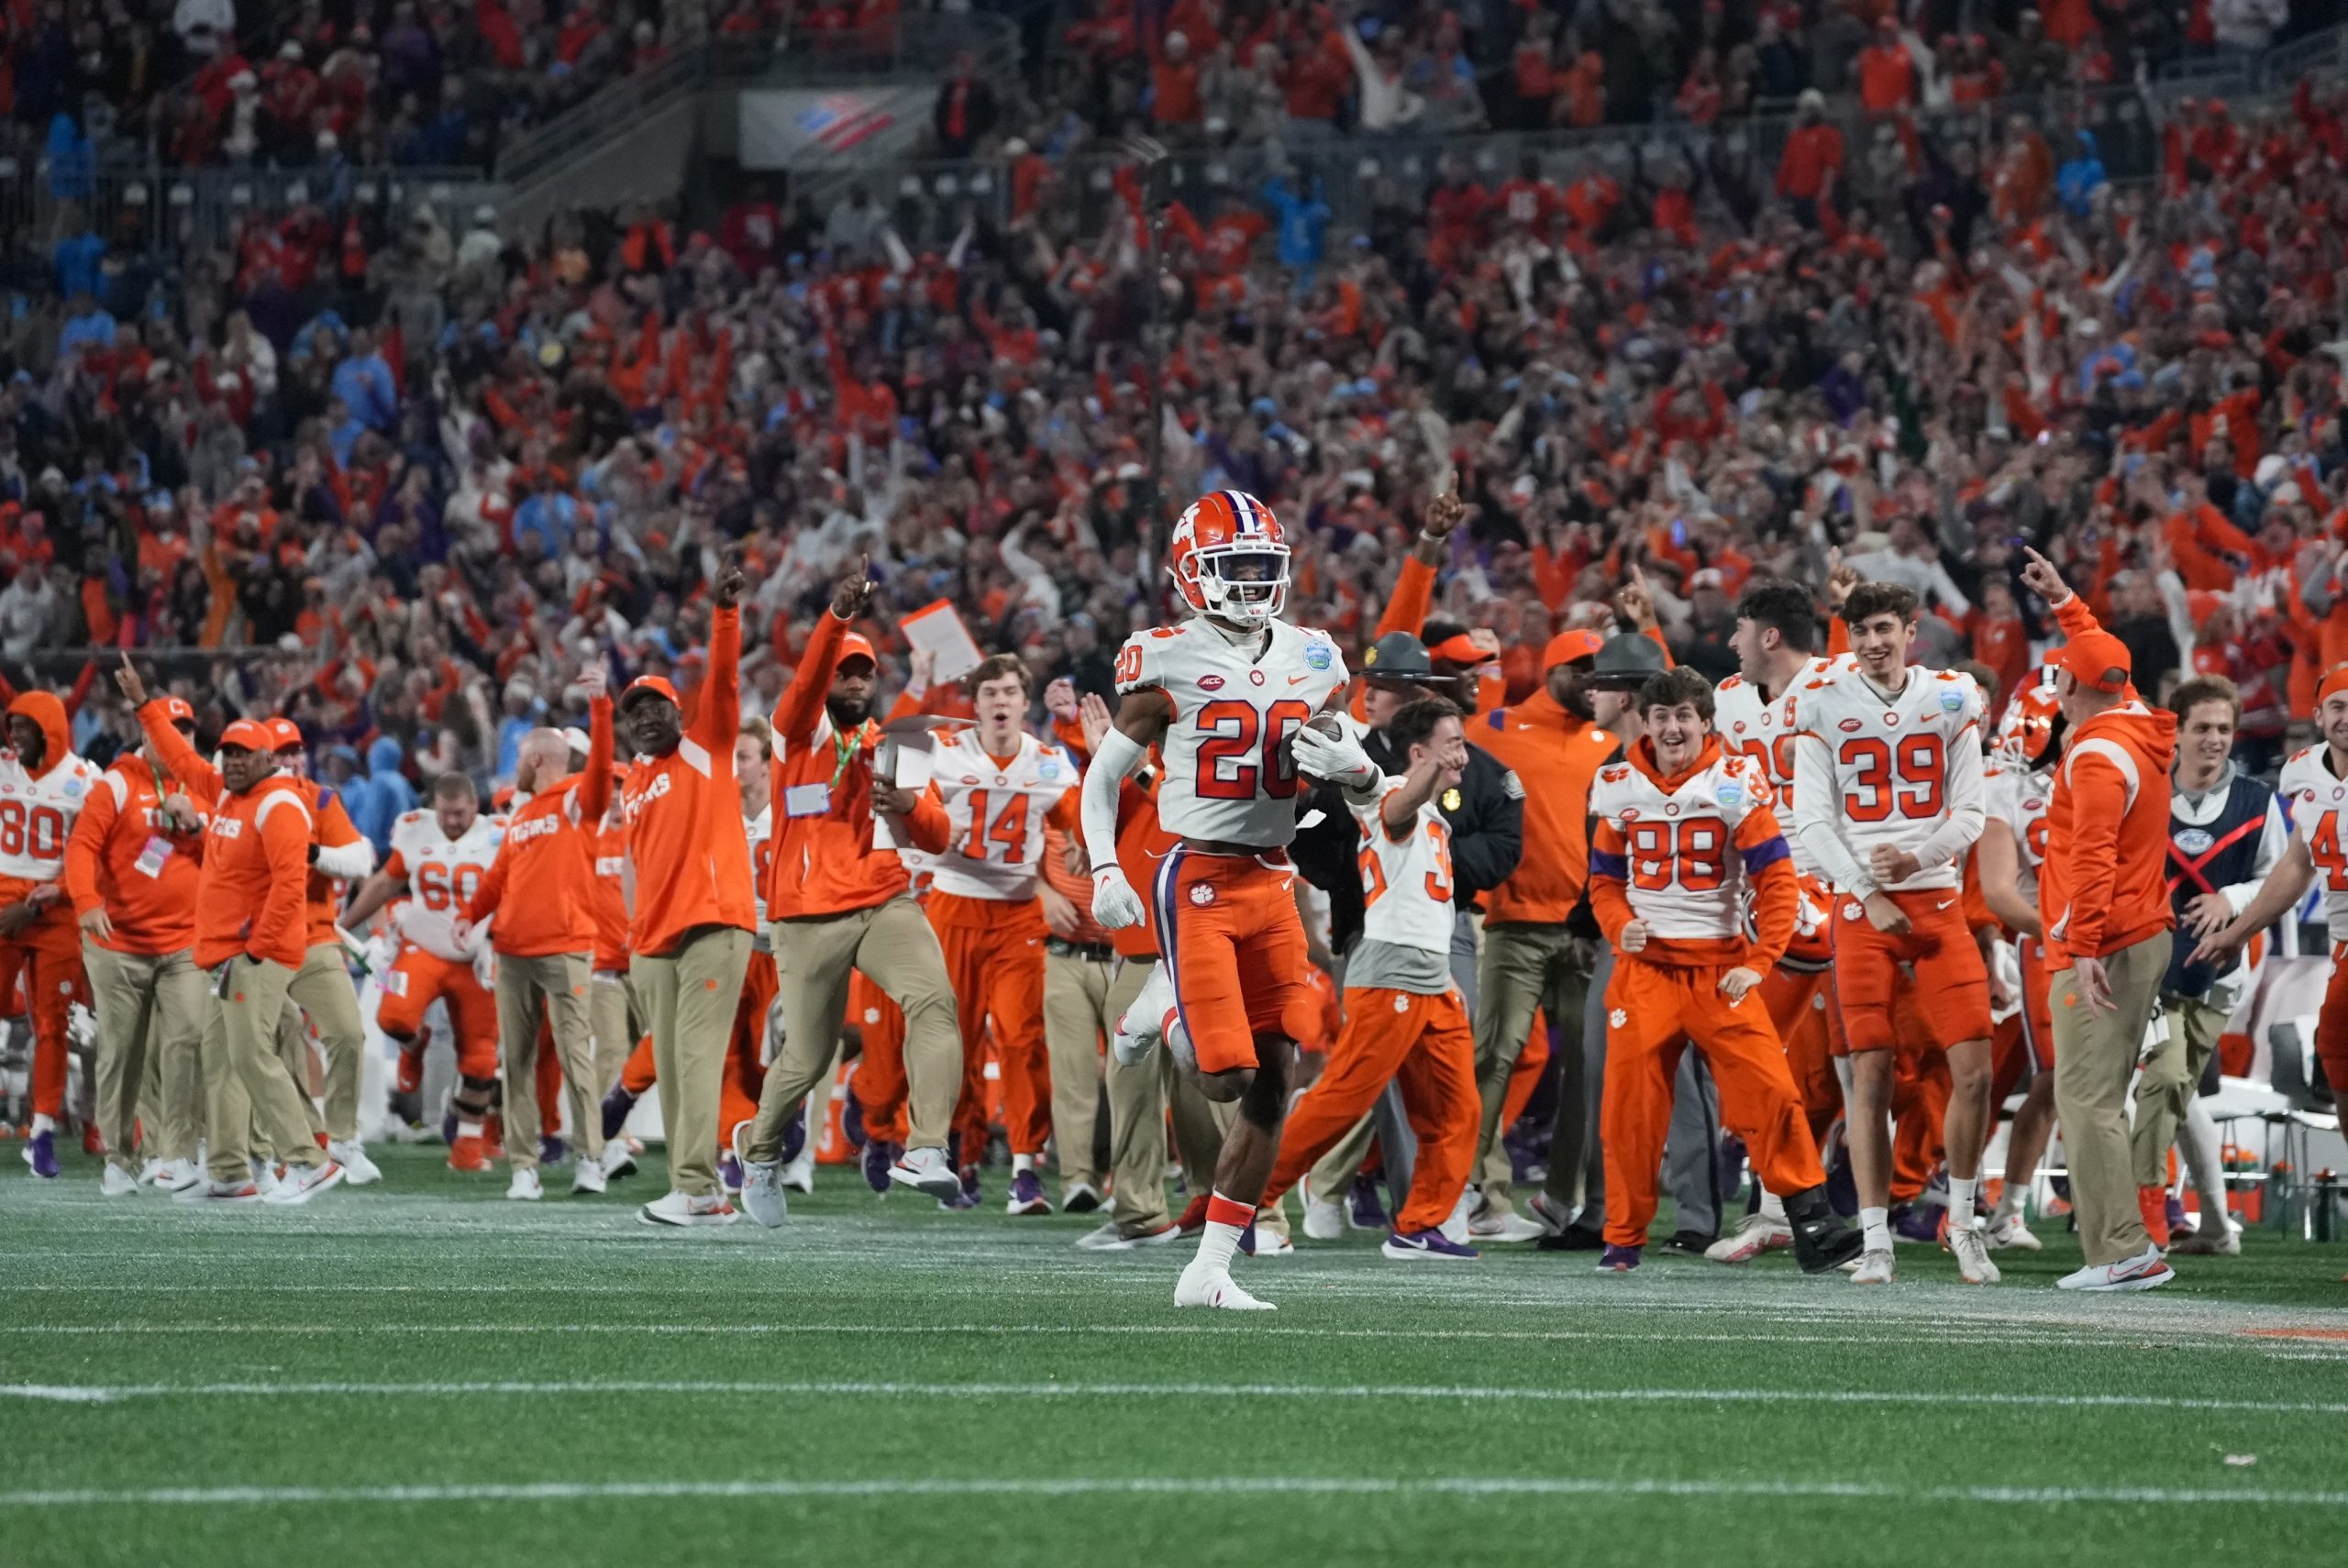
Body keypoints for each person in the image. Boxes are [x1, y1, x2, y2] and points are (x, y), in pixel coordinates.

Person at [1084, 490, 1357, 1311]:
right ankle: (1155, 1013)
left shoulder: (1314, 655)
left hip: (1274, 876)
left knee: (1281, 1074)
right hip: (1196, 873)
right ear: (1191, 574)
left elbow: (1343, 744)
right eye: (1231, 567)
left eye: (1259, 567)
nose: (1248, 581)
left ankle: (1209, 1267)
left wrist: (1349, 764)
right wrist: (1105, 870)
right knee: (1226, 1074)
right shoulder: (1162, 657)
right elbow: (1103, 780)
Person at [1586, 668, 1862, 1274]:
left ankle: (1814, 1228)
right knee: (1630, 1114)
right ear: (1646, 722)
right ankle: (1623, 1240)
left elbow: (1777, 877)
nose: (1673, 727)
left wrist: (1761, 961)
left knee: (1771, 1093)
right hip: (1647, 972)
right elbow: (1603, 880)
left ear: (1705, 722)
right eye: (1662, 716)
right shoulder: (1616, 783)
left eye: (1684, 715)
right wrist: (1617, 924)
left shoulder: (1735, 780)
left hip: (1720, 969)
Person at [737, 559, 963, 1225]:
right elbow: (804, 681)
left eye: (865, 671)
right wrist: (837, 619)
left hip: (882, 899)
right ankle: (758, 1151)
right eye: (846, 671)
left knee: (934, 1000)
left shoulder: (897, 741)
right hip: (807, 914)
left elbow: (939, 834)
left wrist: (907, 807)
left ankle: (926, 1147)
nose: (856, 680)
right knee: (806, 1059)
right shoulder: (795, 732)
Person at [1788, 580, 1999, 1286]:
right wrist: (1866, 889)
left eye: (1884, 629)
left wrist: (1916, 858)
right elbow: (1812, 818)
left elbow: (1971, 811)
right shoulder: (1822, 701)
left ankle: (1963, 1222)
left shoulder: (1951, 696)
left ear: (1912, 630)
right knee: (1869, 1076)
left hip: (1935, 901)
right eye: (1860, 632)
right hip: (1862, 910)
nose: (1873, 644)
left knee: (1975, 1069)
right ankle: (1875, 1238)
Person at [1255, 695, 1482, 1261]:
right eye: (1451, 743)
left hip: (1429, 974)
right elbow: (1397, 808)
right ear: (1418, 752)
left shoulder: (1434, 812)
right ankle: (1247, 1197)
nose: (1462, 753)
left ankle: (1421, 1224)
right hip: (1391, 971)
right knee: (1343, 1098)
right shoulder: (1388, 795)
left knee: (1458, 1110)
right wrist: (1431, 768)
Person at [2020, 547, 2179, 1292]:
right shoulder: (2138, 722)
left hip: (2107, 943)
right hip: (2140, 930)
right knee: (2098, 1093)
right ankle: (2124, 1246)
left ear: (2066, 686)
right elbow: (2103, 663)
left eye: (2060, 670)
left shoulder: (2092, 760)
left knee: (2085, 1098)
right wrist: (2066, 603)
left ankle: (2120, 1250)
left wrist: (2079, 945)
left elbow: (2092, 860)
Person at [1458, 625, 1622, 1242]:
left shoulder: (1611, 738)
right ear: (1552, 670)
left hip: (1592, 929)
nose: (1593, 682)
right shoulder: (1494, 728)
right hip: (1516, 924)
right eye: (1582, 670)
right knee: (1492, 1057)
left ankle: (1562, 1196)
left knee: (1586, 1069)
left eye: (1601, 673)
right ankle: (1472, 1190)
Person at [1703, 578, 1847, 1263]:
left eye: (1739, 630)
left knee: (1770, 1056)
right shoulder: (1727, 700)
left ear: (1768, 635)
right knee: (1775, 1063)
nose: (1730, 644)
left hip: (1826, 886)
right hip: (1759, 889)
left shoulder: (1836, 683)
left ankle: (1805, 1209)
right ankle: (1781, 1207)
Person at [145, 712, 342, 1206]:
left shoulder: (278, 805)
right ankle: (231, 1175)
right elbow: (184, 762)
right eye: (228, 753)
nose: (231, 762)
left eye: (243, 755)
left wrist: (255, 950)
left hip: (256, 956)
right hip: (228, 955)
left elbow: (289, 885)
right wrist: (144, 706)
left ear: (268, 760)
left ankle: (308, 1162)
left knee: (252, 1055)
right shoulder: (234, 795)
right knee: (219, 1058)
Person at [618, 559, 758, 1229]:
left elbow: (724, 678)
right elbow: (639, 864)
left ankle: (701, 1186)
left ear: (681, 711)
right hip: (658, 939)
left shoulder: (709, 745)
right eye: (634, 712)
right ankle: (694, 1188)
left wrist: (724, 614)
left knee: (700, 1058)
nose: (646, 719)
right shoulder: (633, 783)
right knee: (672, 1067)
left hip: (714, 924)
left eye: (656, 707)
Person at [925, 653, 1081, 1214]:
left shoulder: (1047, 763)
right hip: (953, 908)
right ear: (976, 702)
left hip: (1017, 916)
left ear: (1024, 701)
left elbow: (1076, 819)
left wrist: (1082, 850)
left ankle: (1024, 1168)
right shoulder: (945, 757)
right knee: (957, 1042)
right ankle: (962, 1161)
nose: (999, 701)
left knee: (1022, 1038)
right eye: (990, 691)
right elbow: (908, 818)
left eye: (1010, 692)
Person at [459, 668, 615, 1200]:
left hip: (566, 947)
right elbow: (500, 876)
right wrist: (470, 913)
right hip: (512, 951)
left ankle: (591, 1158)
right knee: (517, 1062)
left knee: (576, 1056)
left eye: (519, 756)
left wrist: (600, 708)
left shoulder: (576, 797)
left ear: (534, 759)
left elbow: (597, 774)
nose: (513, 764)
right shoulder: (522, 815)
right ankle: (524, 1166)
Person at [2140, 674, 2279, 1256]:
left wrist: (2233, 900)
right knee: (2167, 1080)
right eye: (2203, 727)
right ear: (2176, 730)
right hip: (2149, 965)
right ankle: (2145, 1215)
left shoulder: (2256, 800)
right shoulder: (2144, 793)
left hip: (2222, 970)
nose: (2215, 739)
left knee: (2179, 1091)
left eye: (2225, 728)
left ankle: (2215, 1227)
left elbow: (2278, 879)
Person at [2199, 668, 2348, 1186]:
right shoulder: (2302, 773)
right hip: (2344, 948)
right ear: (2318, 717)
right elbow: (2295, 865)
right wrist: (2239, 932)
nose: (2346, 718)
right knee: (2334, 1059)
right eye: (2337, 707)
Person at [64, 691, 208, 1195]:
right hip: (118, 943)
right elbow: (82, 845)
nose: (177, 738)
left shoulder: (207, 784)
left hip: (186, 943)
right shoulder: (117, 783)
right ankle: (119, 1158)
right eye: (168, 728)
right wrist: (86, 902)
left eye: (186, 729)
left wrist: (198, 822)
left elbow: (233, 850)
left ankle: (177, 1154)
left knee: (188, 1039)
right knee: (121, 1053)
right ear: (146, 732)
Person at [340, 775, 507, 1171]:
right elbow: (386, 882)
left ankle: (467, 1148)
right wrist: (347, 925)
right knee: (393, 1017)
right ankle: (414, 1047)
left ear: (475, 806)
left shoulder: (498, 834)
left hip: (474, 956)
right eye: (446, 813)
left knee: (481, 1058)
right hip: (422, 945)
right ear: (434, 806)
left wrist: (499, 940)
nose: (452, 822)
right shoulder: (416, 828)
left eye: (460, 813)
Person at [258, 714, 377, 1180]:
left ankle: (343, 1137)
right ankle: (300, 1139)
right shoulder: (242, 803)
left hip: (313, 935)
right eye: (281, 752)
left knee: (348, 1033)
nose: (291, 760)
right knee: (270, 1037)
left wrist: (310, 854)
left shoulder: (321, 799)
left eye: (295, 751)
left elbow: (360, 859)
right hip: (258, 941)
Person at [0, 689, 103, 1179]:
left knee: (52, 1024)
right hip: (2, 901)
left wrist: (51, 892)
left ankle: (41, 1132)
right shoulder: (3, 766)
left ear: (51, 731)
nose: (14, 734)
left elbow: (95, 856)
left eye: (24, 726)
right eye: (11, 725)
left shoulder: (84, 780)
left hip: (55, 908)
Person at [1976, 679, 2063, 1253]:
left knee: (2084, 1084)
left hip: (2111, 942)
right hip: (2035, 944)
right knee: (2051, 1078)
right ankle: (1979, 1203)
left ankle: (2140, 1212)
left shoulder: (2113, 766)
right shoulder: (2006, 786)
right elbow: (1995, 891)